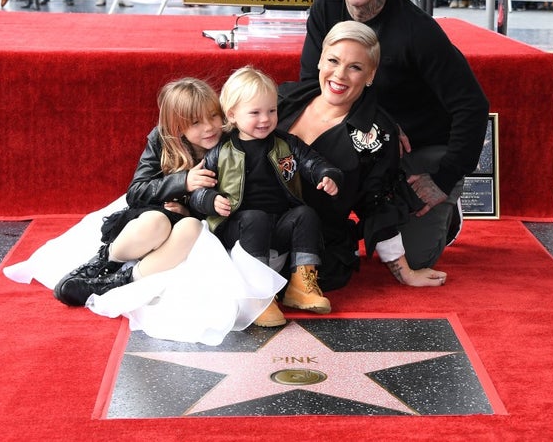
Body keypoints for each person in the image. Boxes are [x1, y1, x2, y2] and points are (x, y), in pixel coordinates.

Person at [299, 0, 489, 286]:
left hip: (417, 150)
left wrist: (444, 177)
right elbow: (311, 86)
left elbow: (472, 105)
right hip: (361, 138)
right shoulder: (325, 9)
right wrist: (380, 122)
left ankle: (447, 210)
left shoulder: (418, 30)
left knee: (414, 258)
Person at [48, 77, 286, 343]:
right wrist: (182, 181)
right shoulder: (161, 139)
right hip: (153, 217)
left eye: (213, 116)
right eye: (196, 122)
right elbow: (136, 192)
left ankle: (120, 281)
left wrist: (190, 208)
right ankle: (103, 263)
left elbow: (236, 198)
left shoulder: (233, 142)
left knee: (191, 227)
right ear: (176, 127)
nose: (209, 127)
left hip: (195, 225)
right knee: (156, 221)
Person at [280, 21, 448, 291]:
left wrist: (404, 270)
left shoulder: (378, 134)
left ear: (370, 75)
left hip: (316, 243)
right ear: (320, 61)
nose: (340, 75)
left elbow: (377, 204)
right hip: (259, 223)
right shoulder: (284, 97)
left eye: (355, 67)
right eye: (333, 60)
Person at [189, 67, 343, 326]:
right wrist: (209, 200)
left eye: (271, 110)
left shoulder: (286, 143)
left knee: (305, 214)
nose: (265, 119)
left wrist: (327, 174)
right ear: (232, 115)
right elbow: (196, 192)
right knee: (255, 218)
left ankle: (301, 285)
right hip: (238, 229)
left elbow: (311, 162)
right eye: (255, 112)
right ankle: (259, 296)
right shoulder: (221, 150)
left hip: (278, 227)